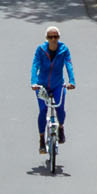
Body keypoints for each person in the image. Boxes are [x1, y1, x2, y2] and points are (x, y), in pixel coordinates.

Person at [31, 25, 76, 153]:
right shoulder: (40, 50)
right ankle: (41, 139)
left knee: (60, 109)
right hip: (42, 85)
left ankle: (61, 127)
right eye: (50, 37)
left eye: (56, 37)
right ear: (46, 38)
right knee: (43, 110)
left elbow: (69, 65)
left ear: (59, 37)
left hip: (57, 84)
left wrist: (71, 81)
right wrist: (34, 82)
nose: (53, 39)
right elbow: (35, 65)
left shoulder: (64, 50)